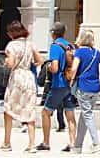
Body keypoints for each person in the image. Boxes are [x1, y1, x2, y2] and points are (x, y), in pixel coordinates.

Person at [0, 21, 42, 153]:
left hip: (17, 76)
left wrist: (7, 61)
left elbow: (11, 63)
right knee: (30, 109)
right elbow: (40, 60)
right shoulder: (31, 44)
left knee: (8, 108)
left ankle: (7, 142)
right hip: (28, 76)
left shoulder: (11, 45)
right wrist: (33, 63)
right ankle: (31, 144)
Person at [41, 22, 77, 152]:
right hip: (69, 83)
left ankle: (46, 142)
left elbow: (55, 68)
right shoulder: (70, 46)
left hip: (58, 84)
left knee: (45, 112)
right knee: (70, 114)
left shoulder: (55, 47)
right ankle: (72, 143)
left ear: (53, 33)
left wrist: (48, 67)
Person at [69, 30, 100, 154]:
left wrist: (71, 80)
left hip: (83, 86)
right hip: (95, 87)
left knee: (87, 115)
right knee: (85, 116)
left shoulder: (79, 52)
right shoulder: (96, 52)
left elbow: (74, 68)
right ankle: (78, 146)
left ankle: (96, 142)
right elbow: (99, 62)